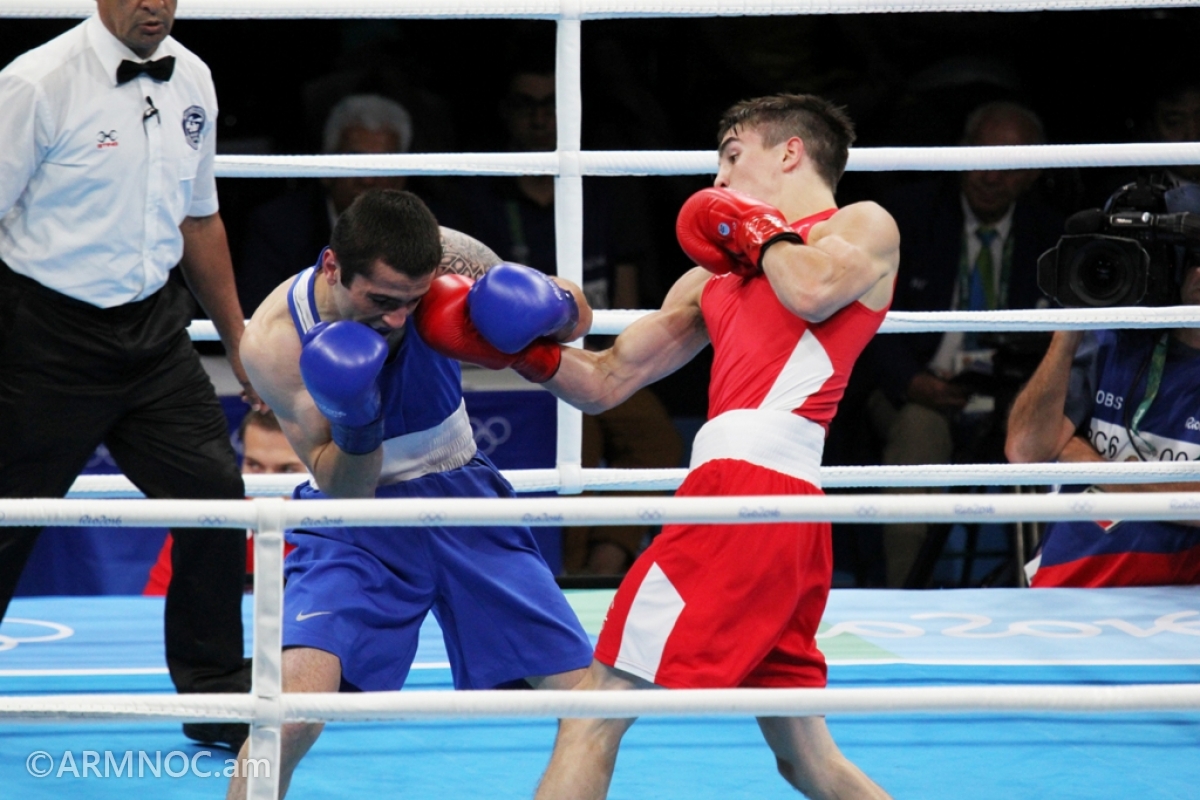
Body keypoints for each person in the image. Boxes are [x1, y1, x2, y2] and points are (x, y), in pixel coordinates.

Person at [418, 93, 898, 799]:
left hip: (750, 496)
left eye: (733, 156)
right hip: (761, 504)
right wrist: (518, 351)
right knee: (807, 760)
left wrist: (756, 229)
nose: (720, 179)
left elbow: (814, 291)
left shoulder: (860, 224)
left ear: (791, 152)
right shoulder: (716, 277)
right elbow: (607, 379)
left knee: (592, 712)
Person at [224, 188, 595, 799]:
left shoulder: (448, 255)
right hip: (356, 527)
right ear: (332, 267)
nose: (398, 319)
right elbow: (346, 489)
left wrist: (545, 308)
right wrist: (357, 417)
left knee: (588, 704)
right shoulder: (276, 342)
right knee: (287, 716)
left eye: (413, 302)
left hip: (464, 499)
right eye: (381, 301)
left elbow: (578, 316)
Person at [0, 0, 255, 750]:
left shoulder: (194, 78)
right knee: (8, 520)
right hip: (44, 338)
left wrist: (238, 338)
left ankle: (214, 692)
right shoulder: (36, 83)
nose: (155, 5)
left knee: (215, 499)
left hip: (154, 335)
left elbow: (199, 219)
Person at [448, 60, 680, 574]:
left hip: (596, 354)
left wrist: (610, 358)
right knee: (576, 440)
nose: (538, 118)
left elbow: (624, 286)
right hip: (509, 363)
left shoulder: (606, 187)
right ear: (506, 113)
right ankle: (568, 575)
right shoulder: (477, 193)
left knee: (656, 438)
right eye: (525, 105)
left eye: (549, 105)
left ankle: (607, 560)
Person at [853, 100, 1064, 586]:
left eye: (1009, 165)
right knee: (919, 428)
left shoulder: (1052, 233)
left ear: (1034, 173)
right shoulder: (905, 216)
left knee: (1059, 434)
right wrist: (912, 381)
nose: (991, 176)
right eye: (982, 157)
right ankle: (906, 598)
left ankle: (1049, 592)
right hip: (918, 390)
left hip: (1014, 396)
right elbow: (863, 315)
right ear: (960, 152)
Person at [1005, 185, 1200, 588]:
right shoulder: (1109, 339)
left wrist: (1089, 461)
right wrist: (1069, 325)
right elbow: (1025, 450)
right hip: (1062, 582)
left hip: (1167, 601)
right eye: (1189, 259)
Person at [236, 93, 416, 314]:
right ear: (326, 168)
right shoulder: (277, 227)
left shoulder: (434, 228)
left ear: (402, 176)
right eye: (355, 160)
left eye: (381, 163)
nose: (368, 179)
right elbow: (258, 314)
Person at [143, 409, 304, 595]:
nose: (267, 485)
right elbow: (158, 604)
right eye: (254, 465)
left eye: (287, 470)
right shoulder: (207, 521)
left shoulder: (333, 530)